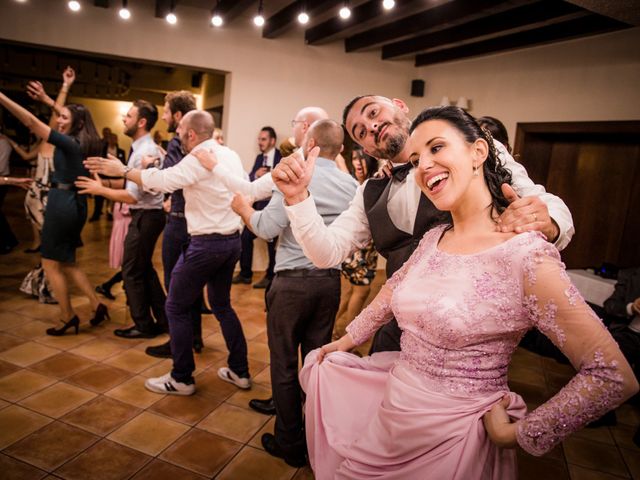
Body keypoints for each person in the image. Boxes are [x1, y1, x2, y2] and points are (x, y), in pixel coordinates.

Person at [298, 106, 638, 479]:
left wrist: (519, 434)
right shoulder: (433, 238)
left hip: (454, 438)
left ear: (479, 152)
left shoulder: (526, 254)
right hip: (393, 413)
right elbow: (394, 287)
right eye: (415, 159)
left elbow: (611, 374)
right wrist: (347, 340)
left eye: (437, 148)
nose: (424, 166)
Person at [274, 95, 575, 354]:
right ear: (365, 149)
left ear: (399, 105)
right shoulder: (369, 192)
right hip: (394, 330)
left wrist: (549, 223)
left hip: (460, 334)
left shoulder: (468, 148)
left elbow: (541, 199)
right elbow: (327, 252)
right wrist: (298, 198)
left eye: (373, 112)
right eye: (360, 131)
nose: (371, 126)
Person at [79, 110, 251, 395]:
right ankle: (240, 371)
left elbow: (164, 182)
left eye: (180, 130)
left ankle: (182, 377)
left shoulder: (198, 156)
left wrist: (122, 170)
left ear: (191, 134)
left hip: (206, 245)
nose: (177, 135)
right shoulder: (229, 154)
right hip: (232, 242)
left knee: (175, 306)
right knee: (221, 305)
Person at [226, 119, 357, 467]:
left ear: (309, 142)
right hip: (329, 282)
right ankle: (315, 438)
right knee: (314, 362)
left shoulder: (296, 176)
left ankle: (289, 443)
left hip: (292, 284)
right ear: (341, 149)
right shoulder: (352, 185)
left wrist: (242, 210)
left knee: (284, 362)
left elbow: (266, 228)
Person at [0, 90, 108, 335]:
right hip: (76, 203)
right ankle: (96, 303)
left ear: (77, 122)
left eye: (64, 118)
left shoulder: (69, 143)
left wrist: (2, 98)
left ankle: (67, 316)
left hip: (63, 203)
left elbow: (30, 121)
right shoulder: (86, 141)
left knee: (50, 263)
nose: (59, 120)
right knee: (68, 261)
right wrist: (52, 101)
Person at [79, 101, 168, 339]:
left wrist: (99, 191)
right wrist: (105, 183)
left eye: (128, 116)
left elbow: (131, 195)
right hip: (149, 215)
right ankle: (164, 318)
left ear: (141, 122)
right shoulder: (140, 148)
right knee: (144, 268)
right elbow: (133, 184)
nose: (124, 119)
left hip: (146, 216)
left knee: (130, 271)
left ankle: (143, 324)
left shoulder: (144, 152)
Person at [144, 90, 204, 358]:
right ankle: (195, 337)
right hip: (197, 222)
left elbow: (169, 178)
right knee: (190, 284)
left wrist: (150, 167)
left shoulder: (175, 143)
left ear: (178, 116)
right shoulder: (202, 142)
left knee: (174, 285)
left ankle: (178, 343)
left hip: (179, 222)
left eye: (167, 112)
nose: (164, 116)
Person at [333, 148, 378, 339]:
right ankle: (347, 339)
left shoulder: (375, 180)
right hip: (359, 247)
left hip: (363, 248)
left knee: (350, 292)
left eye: (362, 159)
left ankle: (333, 330)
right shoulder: (359, 183)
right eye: (354, 158)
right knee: (361, 291)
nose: (358, 163)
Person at [233, 126, 282, 289]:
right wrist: (256, 175)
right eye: (259, 139)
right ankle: (245, 274)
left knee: (272, 244)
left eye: (263, 139)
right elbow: (250, 179)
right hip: (258, 207)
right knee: (245, 238)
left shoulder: (282, 157)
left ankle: (270, 276)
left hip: (275, 208)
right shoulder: (259, 158)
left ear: (272, 141)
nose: (260, 142)